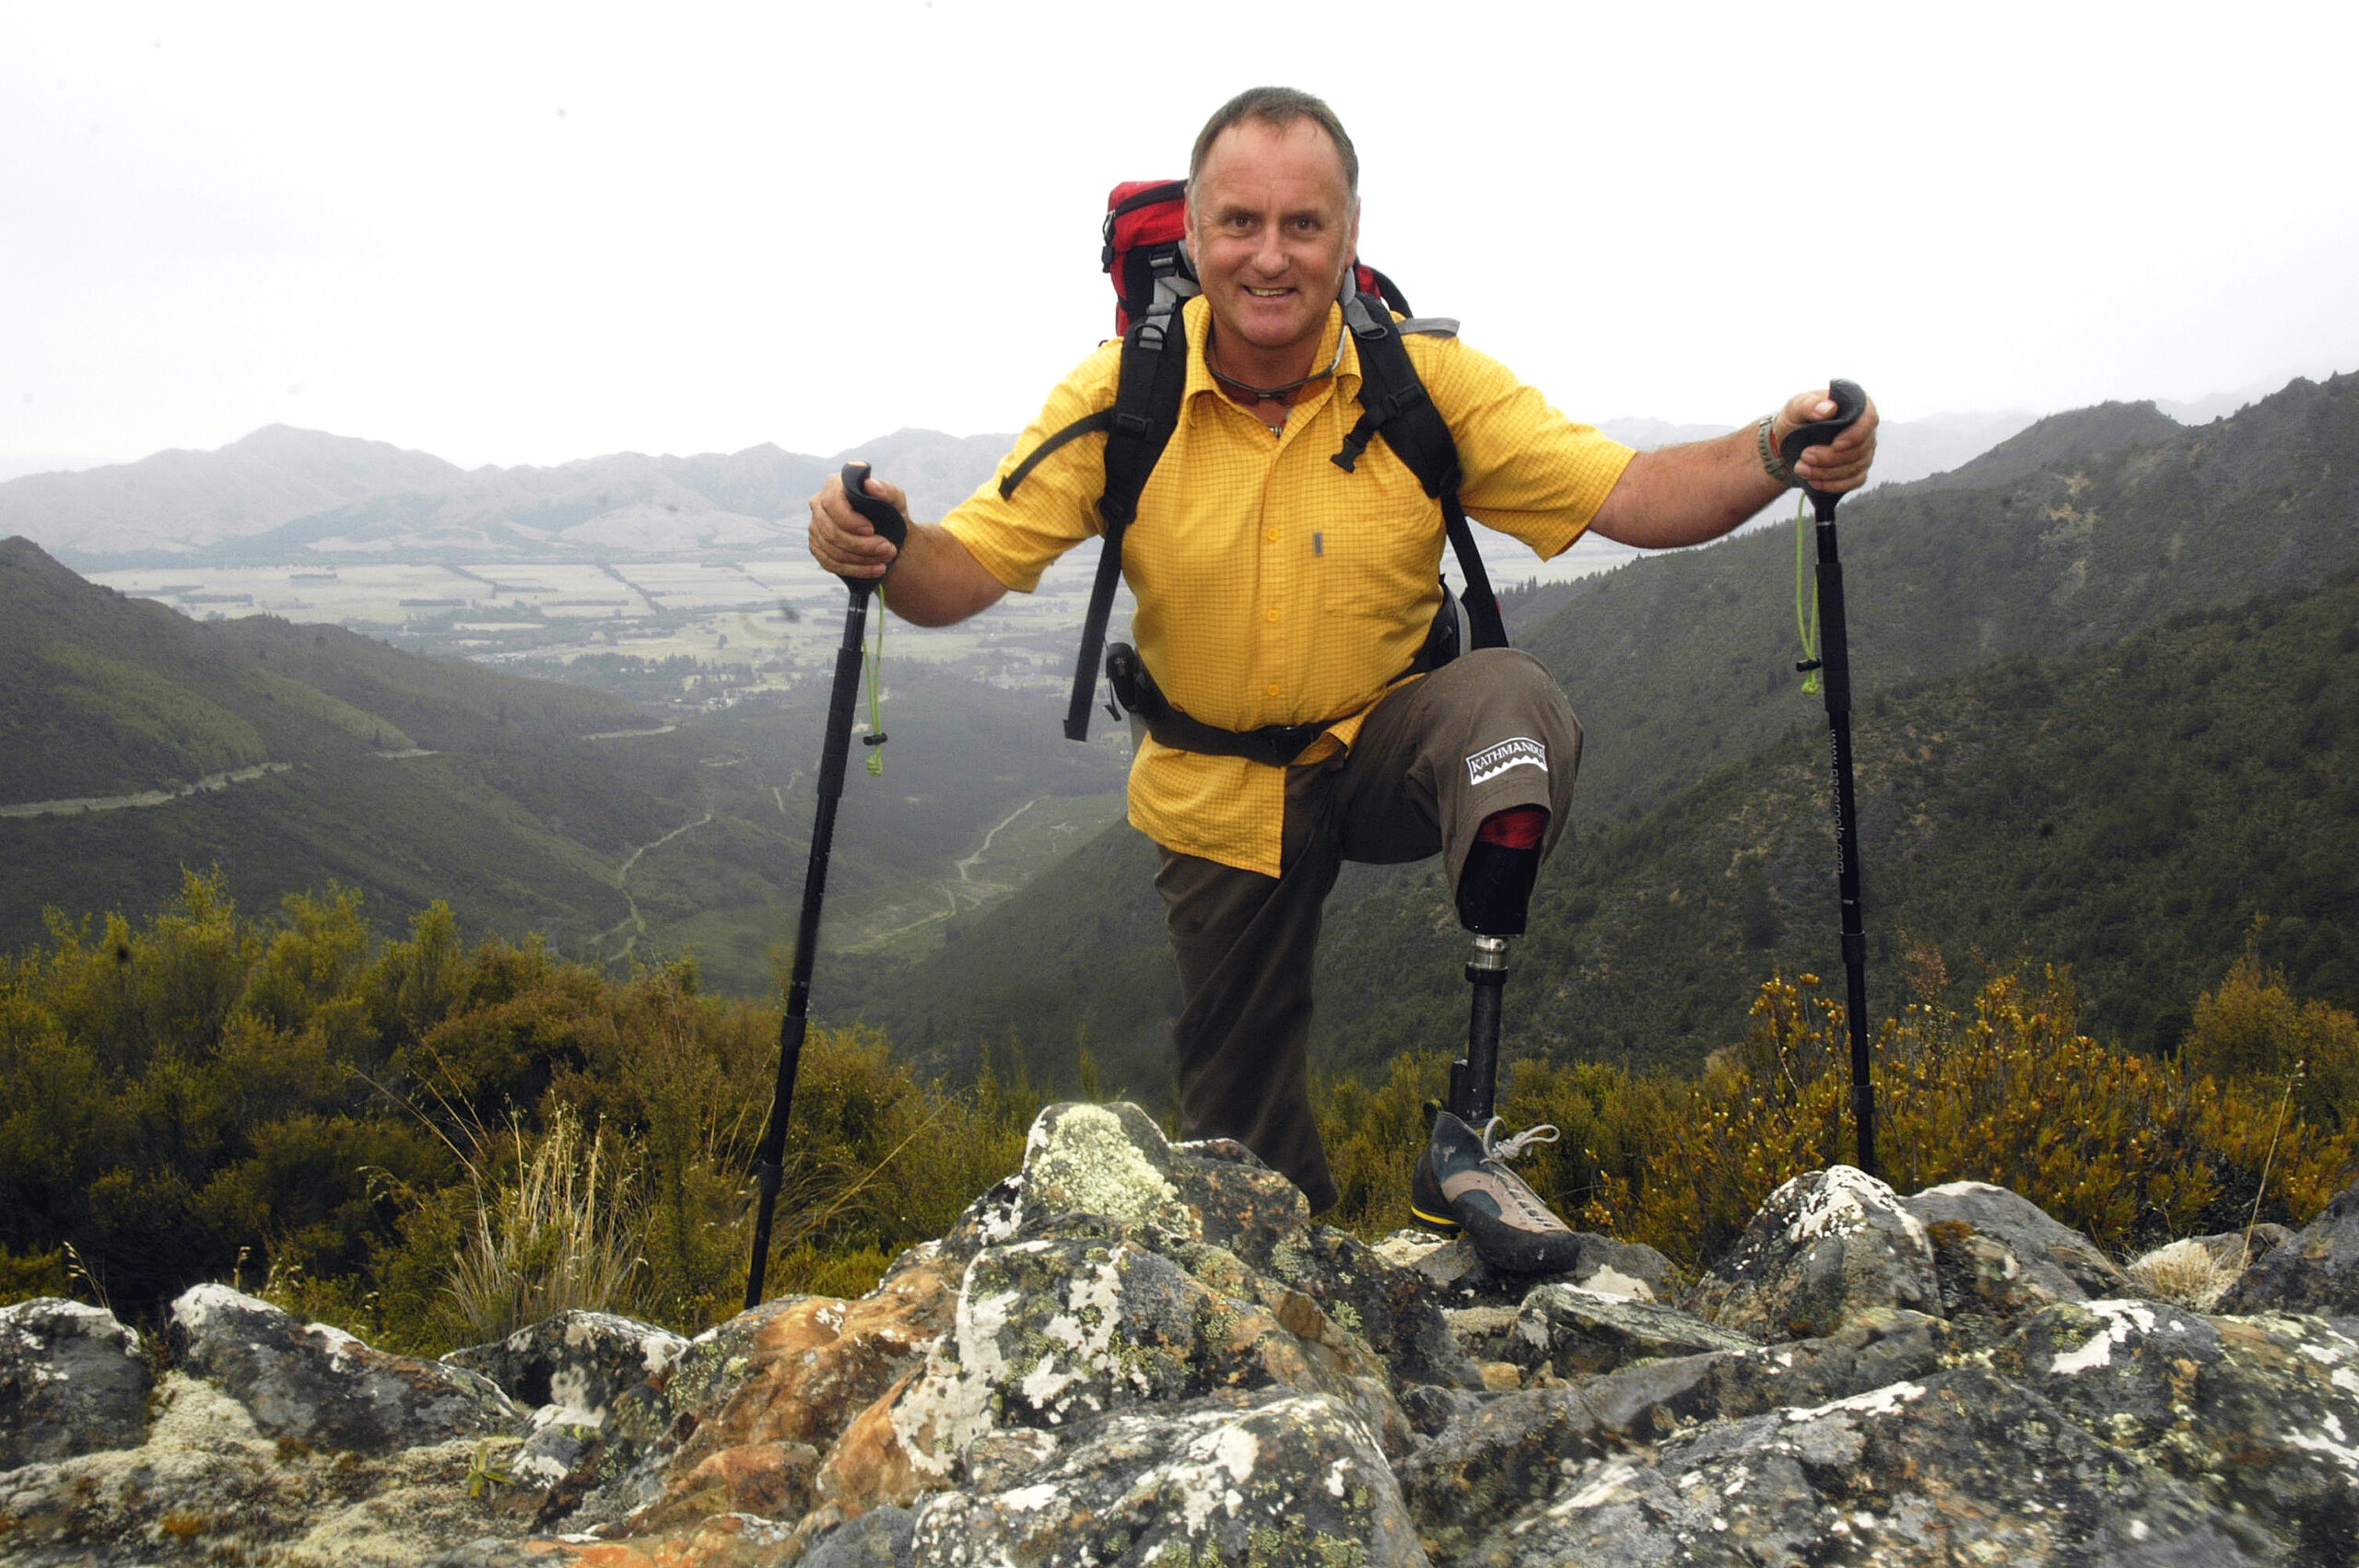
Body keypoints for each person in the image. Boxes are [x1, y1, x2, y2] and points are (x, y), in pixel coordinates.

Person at [808, 86, 1876, 1269]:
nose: (1269, 256)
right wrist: (886, 547)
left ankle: (1467, 1136)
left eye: (1302, 224)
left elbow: (1632, 493)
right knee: (1238, 1153)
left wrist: (1776, 450)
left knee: (1513, 711)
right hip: (1216, 790)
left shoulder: (1422, 381)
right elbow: (962, 569)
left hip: (1386, 747)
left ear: (1349, 232)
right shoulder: (1121, 396)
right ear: (1194, 232)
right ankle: (1291, 1273)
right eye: (1240, 223)